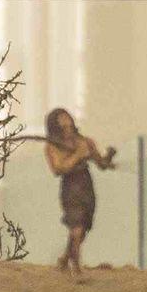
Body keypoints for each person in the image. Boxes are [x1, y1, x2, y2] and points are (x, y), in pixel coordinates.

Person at [39, 107, 118, 276]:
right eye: (61, 119)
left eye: (66, 117)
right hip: (71, 187)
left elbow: (100, 163)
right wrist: (78, 155)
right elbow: (58, 168)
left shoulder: (84, 141)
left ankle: (64, 260)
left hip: (86, 185)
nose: (66, 121)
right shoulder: (52, 146)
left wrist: (108, 158)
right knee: (76, 227)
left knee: (82, 228)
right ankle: (75, 265)